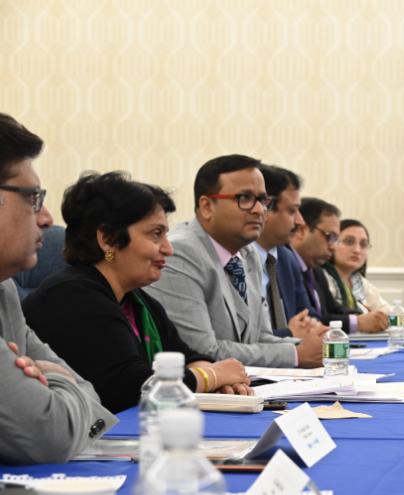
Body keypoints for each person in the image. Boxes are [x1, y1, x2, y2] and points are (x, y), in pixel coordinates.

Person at [23, 172, 252, 413]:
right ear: (108, 239)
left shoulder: (138, 300)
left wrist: (219, 380)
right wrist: (212, 376)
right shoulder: (71, 297)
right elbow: (130, 385)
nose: (169, 248)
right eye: (156, 234)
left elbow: (188, 357)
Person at [0, 113, 114, 465]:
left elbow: (92, 395)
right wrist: (61, 381)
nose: (47, 219)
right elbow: (48, 434)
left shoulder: (3, 290)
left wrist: (59, 383)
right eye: (33, 197)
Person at [146, 155, 322, 367]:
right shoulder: (180, 253)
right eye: (245, 198)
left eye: (263, 200)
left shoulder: (248, 253)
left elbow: (260, 338)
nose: (259, 210)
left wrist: (314, 347)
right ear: (207, 207)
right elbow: (201, 350)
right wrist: (295, 355)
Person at [293, 198, 388, 332]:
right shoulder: (285, 265)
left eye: (336, 239)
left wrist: (367, 318)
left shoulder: (315, 270)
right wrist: (357, 322)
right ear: (302, 231)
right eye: (329, 236)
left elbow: (333, 310)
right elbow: (311, 322)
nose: (333, 246)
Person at [253, 164, 325, 339]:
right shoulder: (236, 260)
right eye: (292, 211)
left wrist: (310, 327)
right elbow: (243, 340)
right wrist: (290, 333)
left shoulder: (286, 258)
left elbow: (310, 316)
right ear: (266, 208)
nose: (300, 221)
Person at [322, 218, 389, 314]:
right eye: (349, 242)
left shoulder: (358, 281)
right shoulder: (322, 279)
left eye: (363, 244)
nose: (357, 250)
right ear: (332, 244)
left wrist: (396, 314)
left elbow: (385, 310)